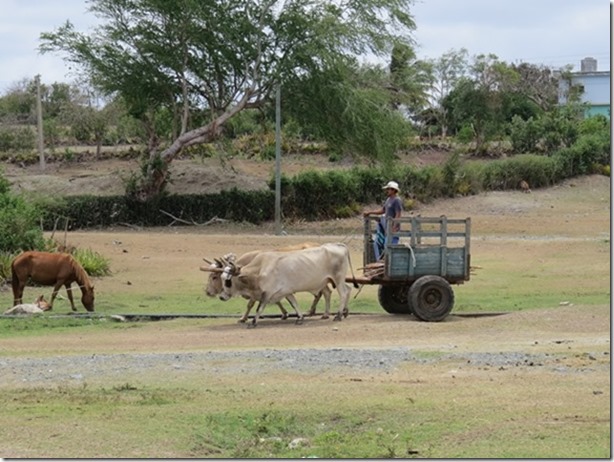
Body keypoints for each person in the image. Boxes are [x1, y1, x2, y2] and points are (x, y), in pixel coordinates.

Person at [363, 180, 403, 260]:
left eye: (388, 189)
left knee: (388, 246)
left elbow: (398, 214)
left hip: (393, 229)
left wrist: (394, 227)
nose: (387, 191)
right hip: (387, 228)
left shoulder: (397, 200)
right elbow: (383, 210)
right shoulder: (388, 200)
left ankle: (387, 263)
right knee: (378, 244)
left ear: (393, 190)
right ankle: (380, 261)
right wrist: (370, 212)